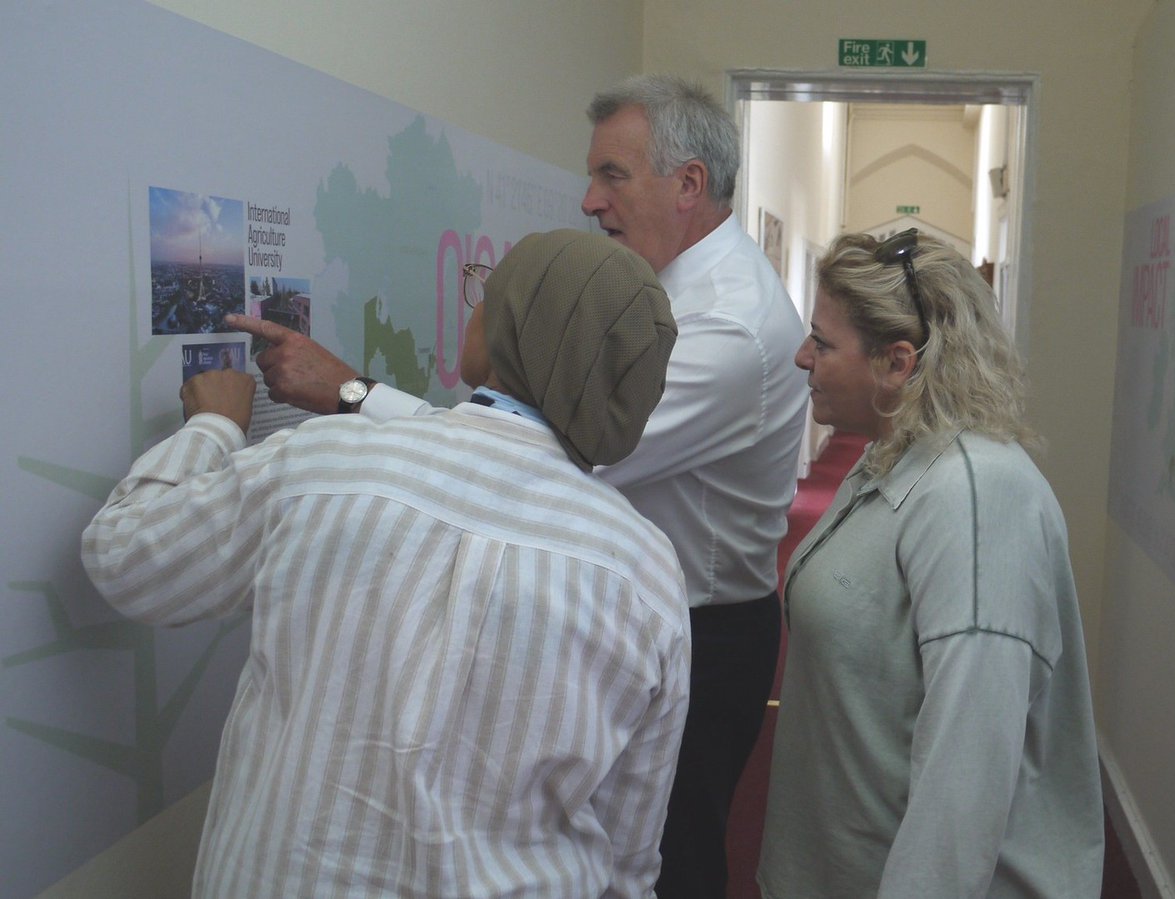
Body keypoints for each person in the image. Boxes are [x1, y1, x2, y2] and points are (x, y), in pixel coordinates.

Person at [228, 73, 809, 898]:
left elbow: (546, 453)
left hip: (699, 632)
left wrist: (352, 394)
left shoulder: (728, 327)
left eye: (613, 174)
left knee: (665, 853)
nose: (587, 201)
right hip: (636, 610)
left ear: (688, 185)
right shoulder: (664, 294)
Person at [82, 230, 690, 898]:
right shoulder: (646, 576)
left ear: (500, 333)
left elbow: (125, 557)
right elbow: (627, 859)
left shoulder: (323, 463)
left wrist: (212, 429)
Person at [757, 229, 1104, 898]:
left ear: (897, 361)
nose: (803, 356)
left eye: (823, 343)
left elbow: (962, 788)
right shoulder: (896, 453)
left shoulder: (977, 497)